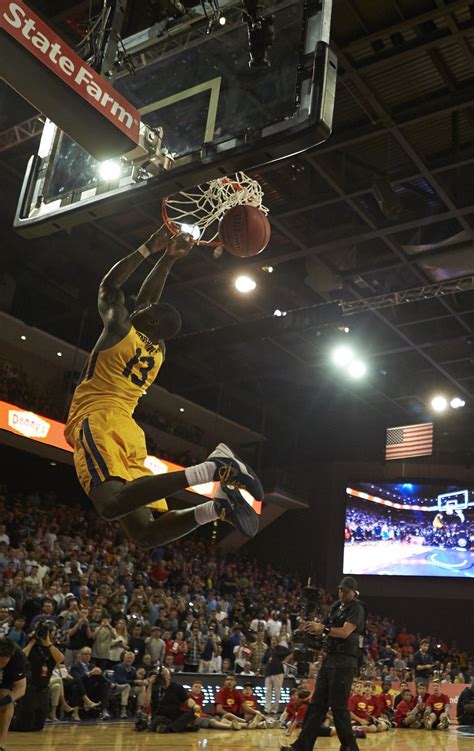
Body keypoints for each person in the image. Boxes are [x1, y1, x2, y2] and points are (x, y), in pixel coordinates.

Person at [63, 226, 263, 548]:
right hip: (128, 430)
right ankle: (217, 508)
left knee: (109, 505)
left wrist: (146, 250)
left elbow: (109, 286)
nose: (139, 307)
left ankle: (213, 468)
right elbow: (149, 299)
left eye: (145, 312)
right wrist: (168, 260)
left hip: (98, 420)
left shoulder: (119, 329)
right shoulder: (158, 350)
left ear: (152, 322)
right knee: (145, 535)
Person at [281, 576, 366, 751]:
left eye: (345, 591)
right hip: (329, 659)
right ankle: (302, 747)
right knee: (316, 705)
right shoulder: (335, 607)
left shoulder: (357, 607)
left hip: (345, 661)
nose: (341, 593)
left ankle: (350, 747)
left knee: (339, 706)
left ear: (353, 592)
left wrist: (324, 629)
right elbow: (323, 628)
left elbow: (344, 632)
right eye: (340, 590)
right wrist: (311, 627)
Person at [143, 667, 198, 733]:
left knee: (195, 713)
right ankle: (181, 727)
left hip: (176, 715)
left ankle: (169, 729)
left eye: (164, 675)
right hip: (161, 716)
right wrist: (150, 684)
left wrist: (194, 706)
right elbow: (146, 704)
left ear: (169, 676)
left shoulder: (177, 687)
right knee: (157, 721)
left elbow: (187, 700)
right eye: (161, 675)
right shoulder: (155, 688)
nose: (162, 677)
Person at [0, 637, 27, 749]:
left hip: (9, 679)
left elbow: (21, 688)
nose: (1, 664)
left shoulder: (18, 658)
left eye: (4, 661)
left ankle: (1, 743)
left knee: (7, 699)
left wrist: (3, 701)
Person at [262, 635, 292, 714]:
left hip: (278, 672)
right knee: (268, 691)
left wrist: (285, 660)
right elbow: (264, 661)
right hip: (268, 672)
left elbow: (290, 653)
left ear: (277, 641)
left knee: (277, 691)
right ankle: (267, 708)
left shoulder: (281, 648)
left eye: (275, 640)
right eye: (272, 640)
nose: (273, 641)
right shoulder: (268, 649)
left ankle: (274, 709)